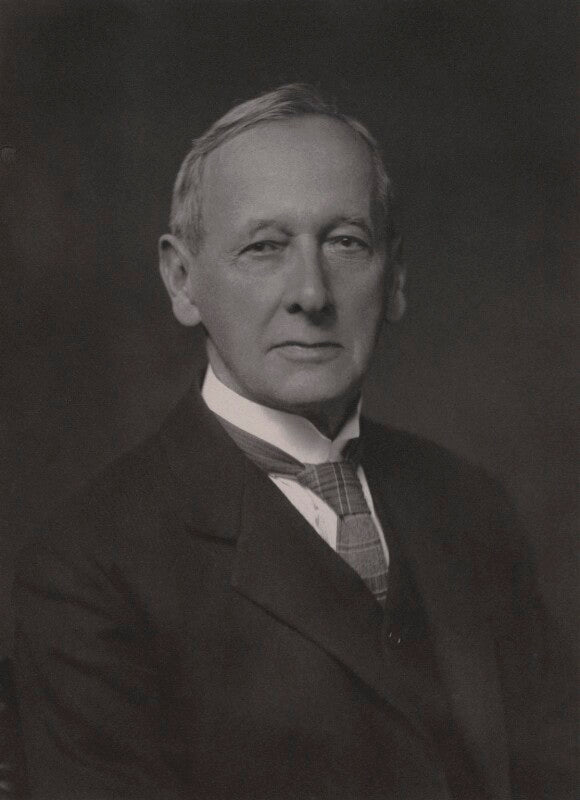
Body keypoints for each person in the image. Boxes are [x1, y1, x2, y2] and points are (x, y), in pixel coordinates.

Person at [12, 84, 570, 800]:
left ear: (395, 276)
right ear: (183, 281)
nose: (312, 293)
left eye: (345, 242)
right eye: (265, 247)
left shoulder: (471, 506)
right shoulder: (89, 568)